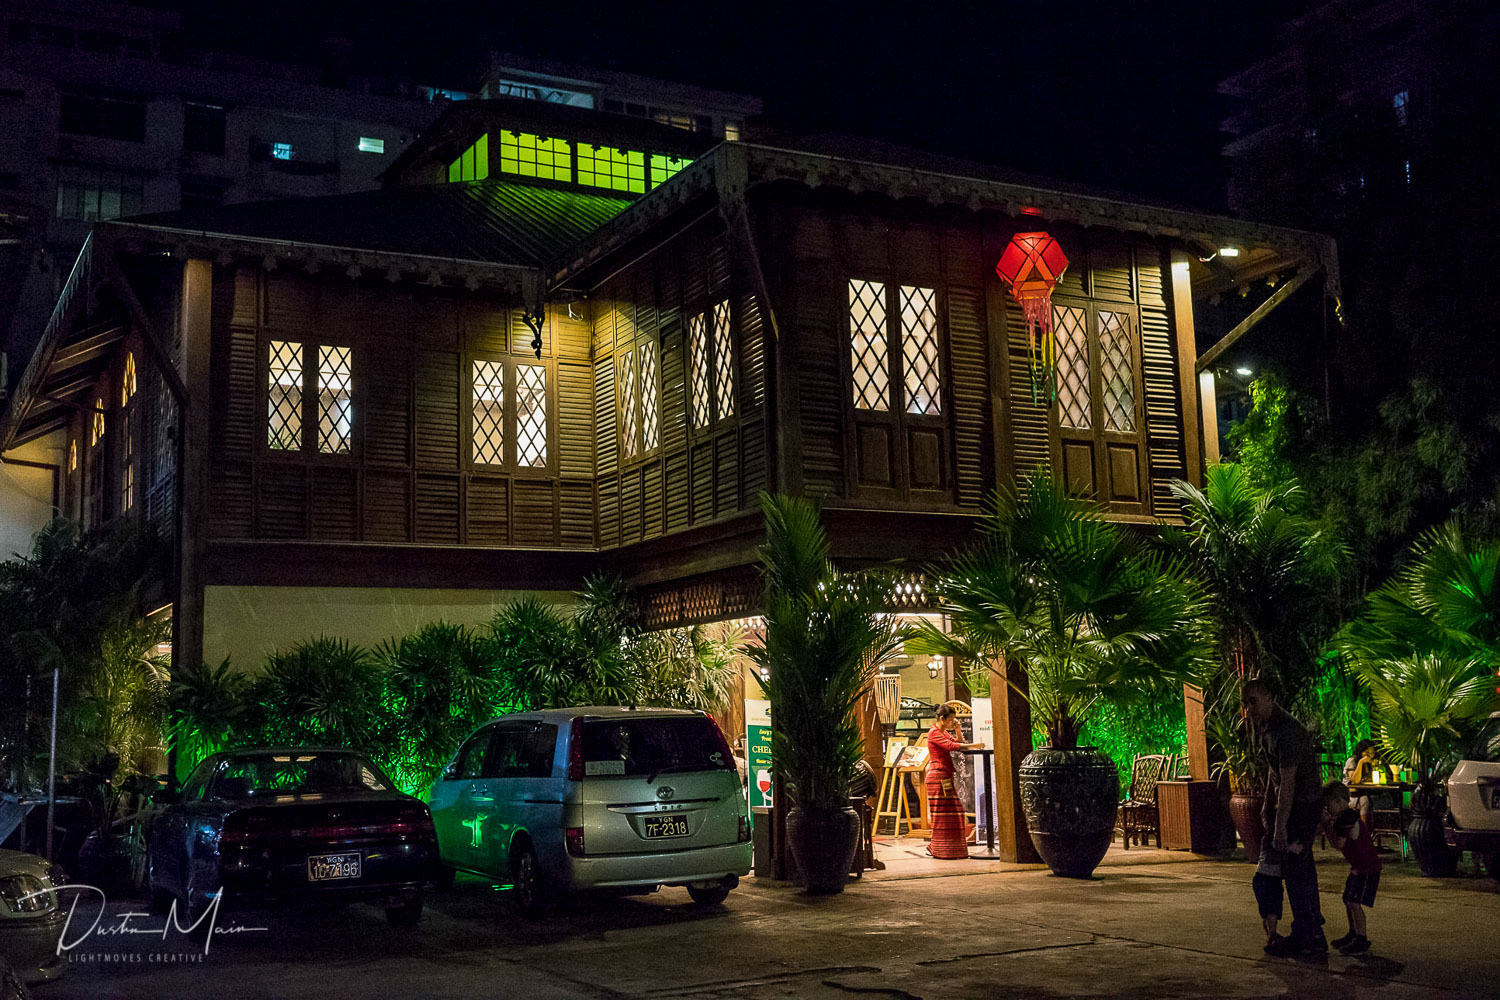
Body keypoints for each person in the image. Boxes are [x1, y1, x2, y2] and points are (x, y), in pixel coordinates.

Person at [1243, 678, 1327, 956]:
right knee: (1299, 867)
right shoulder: (1265, 727)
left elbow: (1289, 781)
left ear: (1268, 697)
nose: (1249, 708)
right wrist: (1268, 804)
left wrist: (1280, 827)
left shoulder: (1286, 730)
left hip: (1304, 802)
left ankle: (1309, 934)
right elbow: (1274, 771)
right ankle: (1311, 930)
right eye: (1246, 703)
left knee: (1296, 868)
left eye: (1253, 701)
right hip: (1295, 801)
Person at [1322, 780, 1382, 955]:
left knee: (1354, 901)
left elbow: (1338, 843)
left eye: (1329, 804)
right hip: (1359, 866)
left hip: (1366, 867)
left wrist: (1326, 824)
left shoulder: (1347, 818)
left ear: (1340, 801)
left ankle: (1361, 937)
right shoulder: (1343, 817)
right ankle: (1353, 933)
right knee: (1348, 899)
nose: (1327, 808)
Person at [925, 704, 985, 859]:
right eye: (951, 719)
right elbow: (952, 746)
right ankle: (940, 849)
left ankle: (946, 849)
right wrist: (975, 745)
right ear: (942, 719)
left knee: (953, 813)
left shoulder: (943, 732)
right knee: (943, 814)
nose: (953, 722)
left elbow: (958, 743)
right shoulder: (934, 733)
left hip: (944, 775)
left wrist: (958, 729)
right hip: (937, 777)